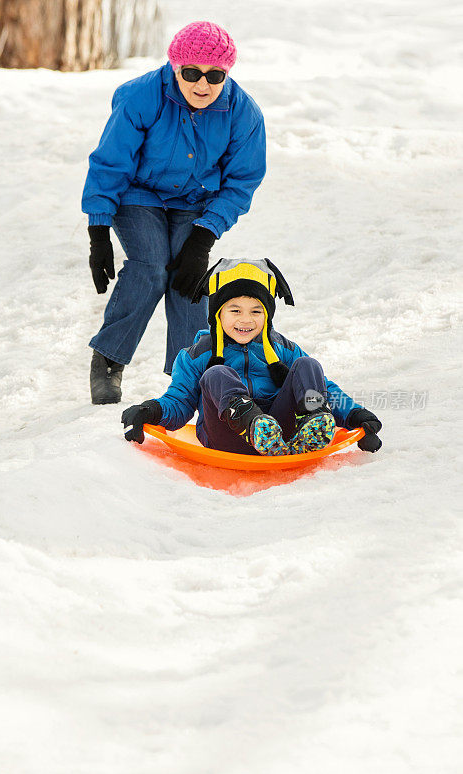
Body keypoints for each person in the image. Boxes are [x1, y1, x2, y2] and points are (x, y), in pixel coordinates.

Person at [82, 21, 267, 404]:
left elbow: (241, 181)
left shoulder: (243, 113)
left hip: (195, 201)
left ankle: (191, 377)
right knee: (150, 265)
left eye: (215, 75)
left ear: (227, 73)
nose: (203, 84)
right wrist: (98, 231)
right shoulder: (139, 98)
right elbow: (110, 164)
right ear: (174, 68)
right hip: (138, 194)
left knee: (188, 276)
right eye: (192, 73)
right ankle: (109, 360)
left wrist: (203, 239)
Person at [121, 259, 383, 455]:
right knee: (216, 373)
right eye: (235, 310)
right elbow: (178, 403)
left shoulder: (284, 349)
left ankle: (313, 422)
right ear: (217, 315)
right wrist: (150, 411)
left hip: (283, 435)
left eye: (256, 312)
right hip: (226, 437)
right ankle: (253, 424)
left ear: (267, 316)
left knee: (308, 365)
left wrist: (356, 416)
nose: (245, 320)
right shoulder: (197, 355)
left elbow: (322, 387)